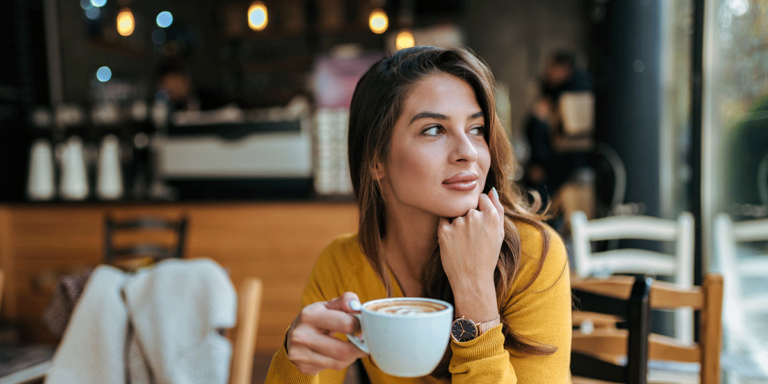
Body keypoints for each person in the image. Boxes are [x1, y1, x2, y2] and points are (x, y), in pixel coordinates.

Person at [265, 46, 572, 383]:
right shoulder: (343, 263)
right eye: (433, 130)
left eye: (477, 128)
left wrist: (475, 294)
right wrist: (296, 360)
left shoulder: (532, 254)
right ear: (376, 161)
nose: (468, 152)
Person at [524, 51, 591, 206]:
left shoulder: (570, 92)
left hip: (560, 163)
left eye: (553, 67)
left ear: (564, 68)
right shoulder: (553, 91)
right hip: (552, 162)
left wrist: (540, 163)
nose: (548, 71)